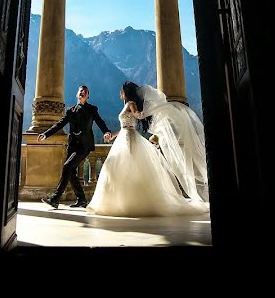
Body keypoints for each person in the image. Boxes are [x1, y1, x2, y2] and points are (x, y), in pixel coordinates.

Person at [85, 81, 209, 217]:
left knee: (129, 168)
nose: (120, 93)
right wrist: (111, 135)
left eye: (121, 90)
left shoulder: (131, 104)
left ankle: (129, 203)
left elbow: (137, 117)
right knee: (118, 169)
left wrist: (145, 113)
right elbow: (124, 127)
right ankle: (121, 202)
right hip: (124, 137)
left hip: (130, 139)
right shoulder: (127, 105)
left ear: (126, 92)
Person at [37, 85, 113, 209]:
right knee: (71, 172)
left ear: (88, 96)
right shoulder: (70, 111)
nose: (83, 92)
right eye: (81, 91)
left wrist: (106, 131)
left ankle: (55, 199)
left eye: (85, 92)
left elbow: (100, 122)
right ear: (77, 94)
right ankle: (81, 199)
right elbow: (59, 124)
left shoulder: (92, 109)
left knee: (67, 166)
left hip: (84, 146)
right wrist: (45, 134)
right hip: (72, 146)